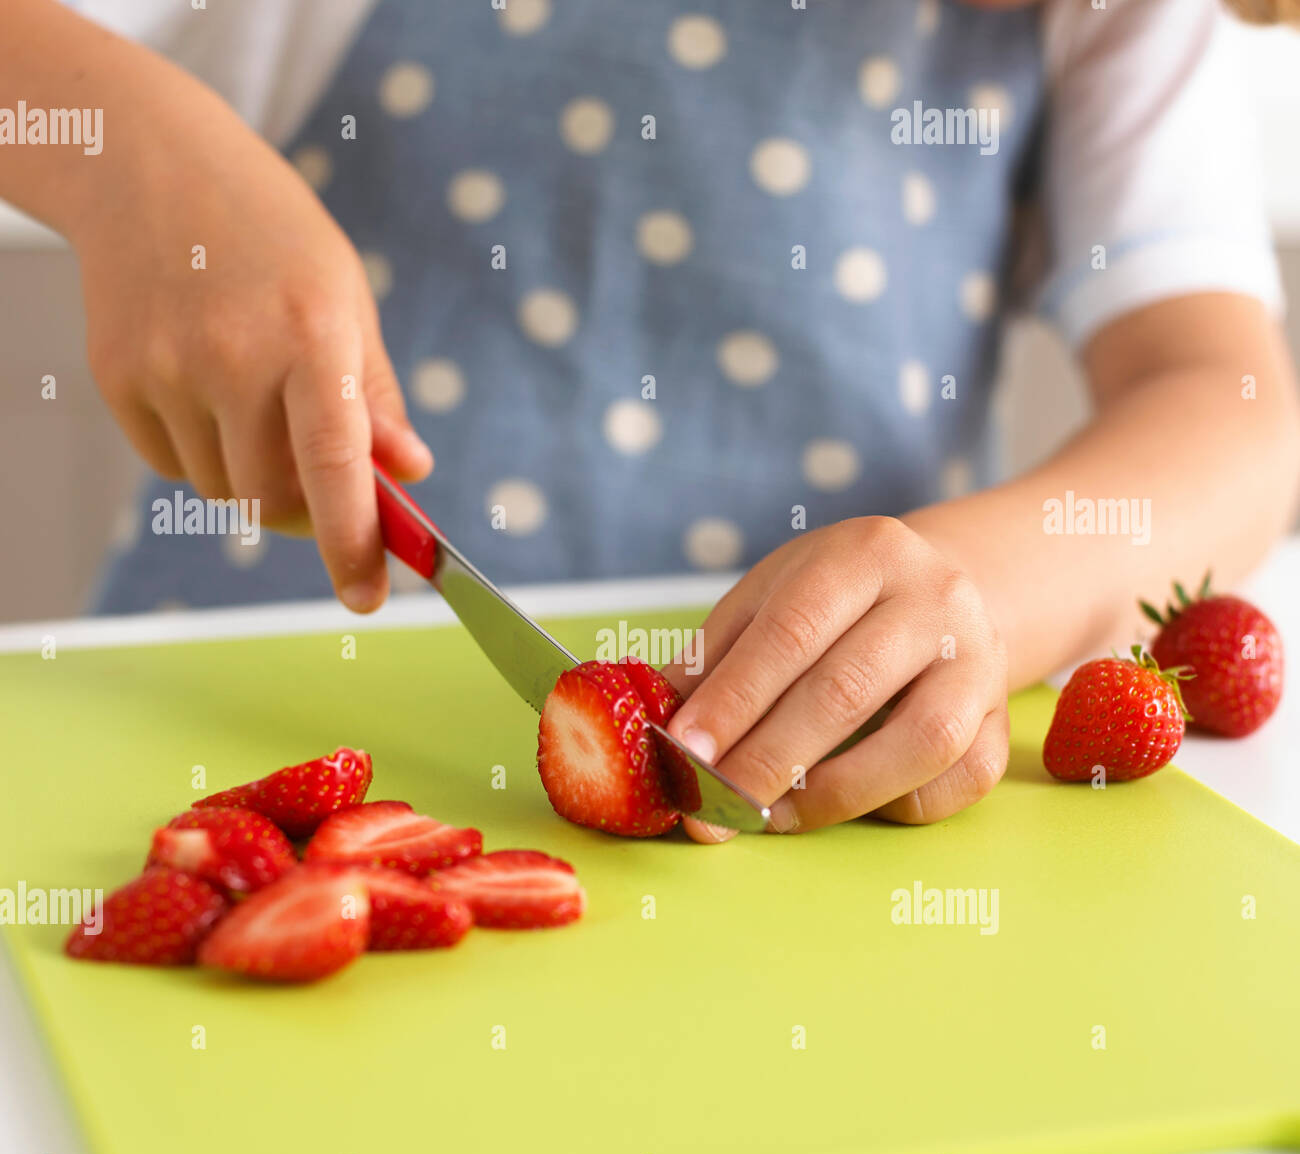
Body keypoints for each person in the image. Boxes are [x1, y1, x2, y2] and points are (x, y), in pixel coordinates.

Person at [3, 0, 1298, 840]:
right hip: (212, 754)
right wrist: (123, 153)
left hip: (806, 811)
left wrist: (990, 593)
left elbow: (1230, 406)